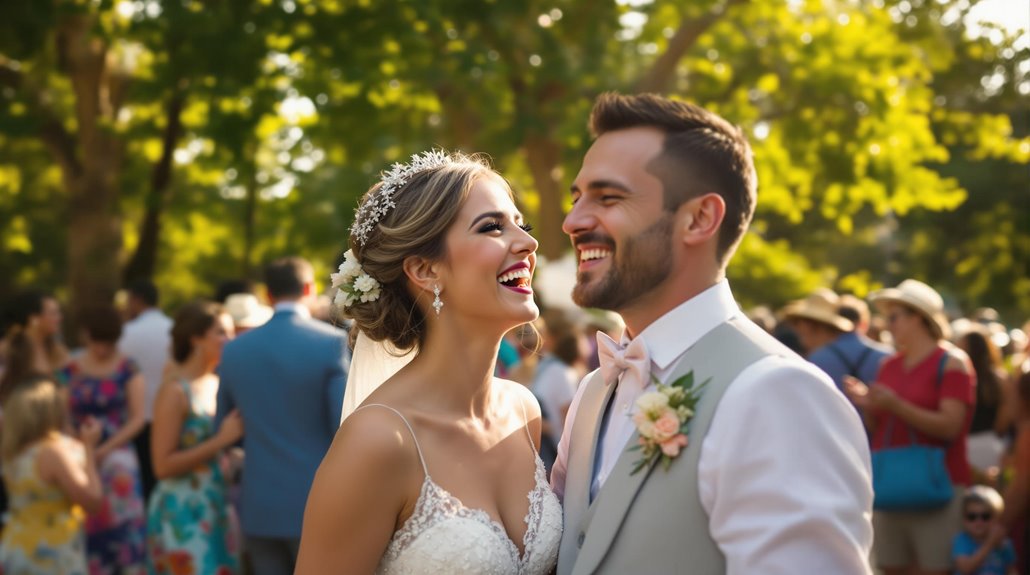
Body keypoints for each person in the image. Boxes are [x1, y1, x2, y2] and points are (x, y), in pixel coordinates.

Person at [552, 92, 873, 574]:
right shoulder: (594, 393)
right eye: (577, 197)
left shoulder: (778, 393)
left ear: (699, 218)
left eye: (609, 197)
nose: (572, 221)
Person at [295, 150, 562, 574]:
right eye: (492, 227)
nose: (528, 243)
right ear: (424, 269)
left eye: (521, 225)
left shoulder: (522, 410)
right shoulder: (377, 442)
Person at [216, 257, 349, 575]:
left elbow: (222, 425)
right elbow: (342, 427)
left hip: (259, 502)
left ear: (267, 294)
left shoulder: (235, 349)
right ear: (309, 288)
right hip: (317, 503)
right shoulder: (331, 343)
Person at [845, 279, 975, 575]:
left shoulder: (952, 362)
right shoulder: (888, 365)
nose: (887, 325)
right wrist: (869, 405)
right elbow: (881, 428)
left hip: (938, 486)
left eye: (893, 317)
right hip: (890, 486)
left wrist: (895, 405)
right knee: (891, 567)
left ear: (918, 317)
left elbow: (950, 427)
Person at [146, 301, 243, 574]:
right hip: (181, 513)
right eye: (222, 333)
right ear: (196, 338)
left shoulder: (217, 383)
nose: (230, 340)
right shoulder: (175, 391)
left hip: (217, 506)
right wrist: (221, 442)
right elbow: (162, 466)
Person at [58, 304, 147, 575]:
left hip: (116, 454)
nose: (102, 349)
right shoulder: (71, 367)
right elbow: (61, 414)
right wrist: (81, 445)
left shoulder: (128, 367)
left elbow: (137, 417)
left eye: (107, 342)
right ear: (86, 336)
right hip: (76, 453)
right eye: (97, 341)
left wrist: (103, 449)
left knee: (124, 526)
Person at [0, 376, 103, 574]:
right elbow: (93, 501)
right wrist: (89, 449)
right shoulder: (52, 453)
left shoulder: (10, 451)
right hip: (51, 552)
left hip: (16, 547)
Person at [117, 279, 172, 501]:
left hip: (135, 420)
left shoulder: (126, 332)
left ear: (135, 300)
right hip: (167, 417)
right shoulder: (173, 329)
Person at [784, 289, 892, 391]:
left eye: (799, 322)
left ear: (811, 326)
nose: (798, 330)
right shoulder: (887, 355)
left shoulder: (816, 360)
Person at [957, 325, 1012, 475]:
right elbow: (1004, 418)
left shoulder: (960, 377)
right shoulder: (999, 378)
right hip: (989, 445)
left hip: (968, 445)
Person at [952, 485, 1017, 575]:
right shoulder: (962, 540)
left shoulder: (1004, 543)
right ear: (964, 520)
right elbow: (965, 569)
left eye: (985, 516)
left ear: (996, 518)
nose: (979, 521)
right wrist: (989, 543)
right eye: (972, 516)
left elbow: (1010, 569)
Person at [7, 290, 70, 375]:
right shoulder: (9, 352)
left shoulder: (58, 351)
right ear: (34, 318)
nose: (60, 318)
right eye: (53, 313)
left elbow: (71, 383)